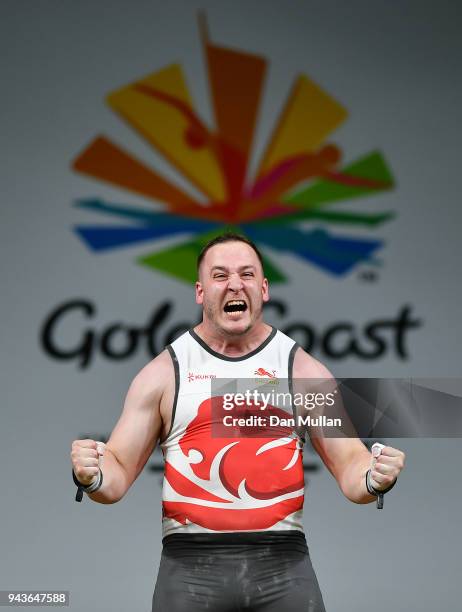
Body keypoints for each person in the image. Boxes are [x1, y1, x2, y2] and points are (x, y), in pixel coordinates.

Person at [70, 232, 405, 611]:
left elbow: (350, 464)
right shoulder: (164, 374)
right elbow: (115, 474)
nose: (234, 284)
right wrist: (93, 473)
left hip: (283, 568)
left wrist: (373, 475)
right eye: (220, 275)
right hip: (189, 571)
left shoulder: (303, 372)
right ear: (200, 292)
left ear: (263, 289)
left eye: (246, 275)